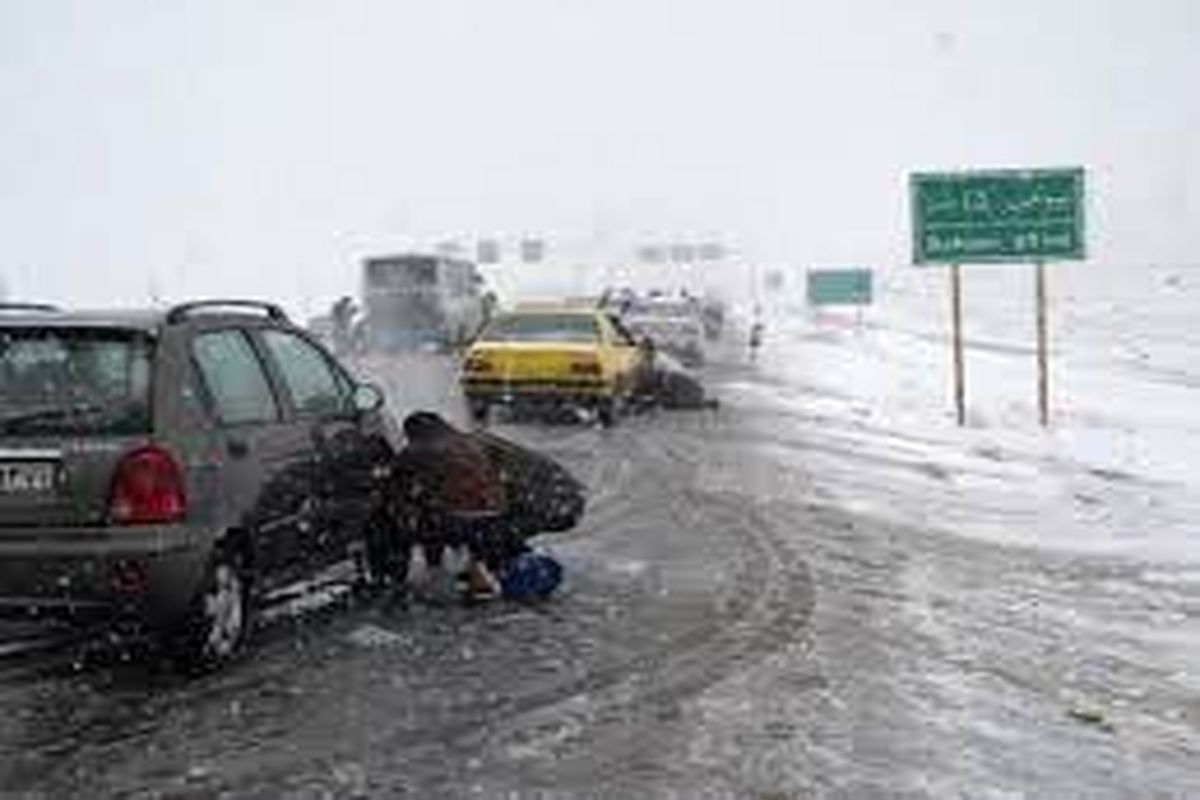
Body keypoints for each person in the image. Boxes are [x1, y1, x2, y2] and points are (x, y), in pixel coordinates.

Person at [388, 411, 513, 600]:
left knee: (425, 518)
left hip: (458, 516)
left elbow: (396, 485)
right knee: (461, 521)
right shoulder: (473, 441)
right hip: (496, 513)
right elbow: (500, 459)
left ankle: (435, 573)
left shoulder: (419, 449)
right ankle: (479, 569)